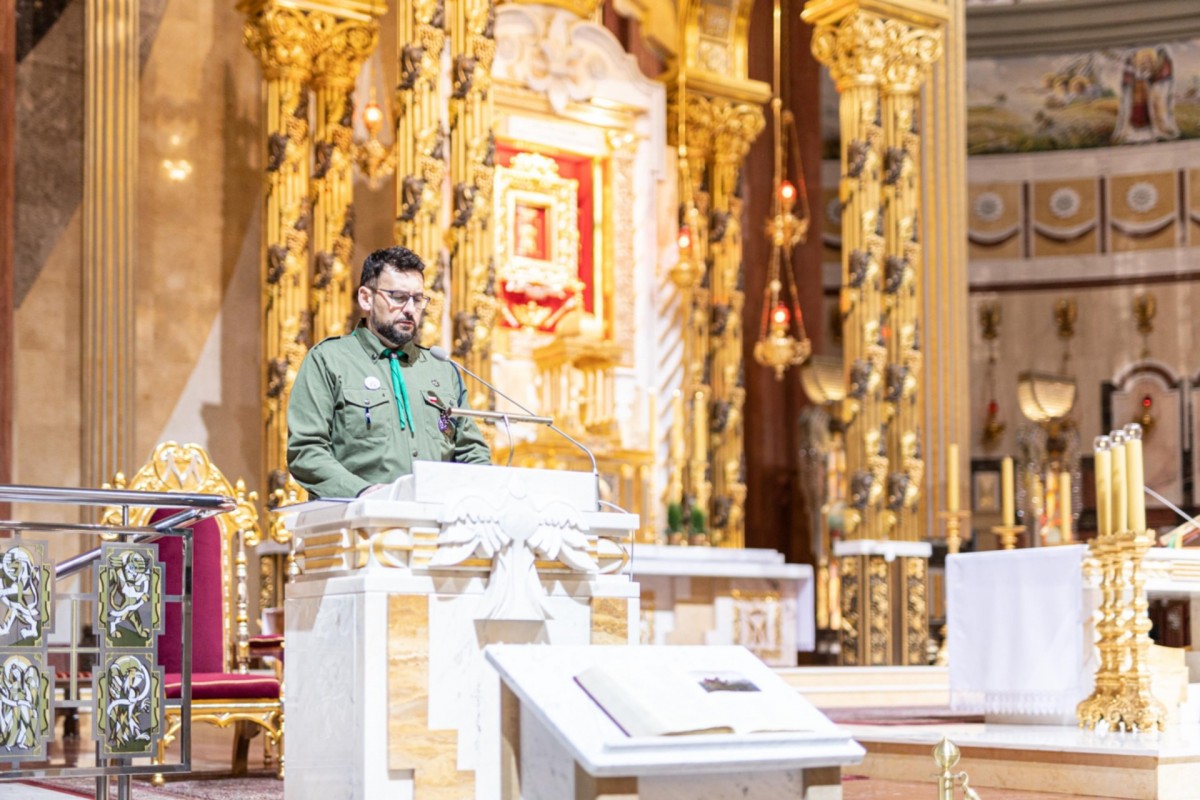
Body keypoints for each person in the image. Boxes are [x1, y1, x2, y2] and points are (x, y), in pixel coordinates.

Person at [287, 246, 491, 498]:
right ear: (366, 298)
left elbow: (471, 451)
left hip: (437, 520)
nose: (409, 309)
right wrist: (364, 492)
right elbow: (306, 452)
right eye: (397, 297)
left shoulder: (441, 368)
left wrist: (479, 496)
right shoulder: (329, 360)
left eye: (417, 299)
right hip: (358, 521)